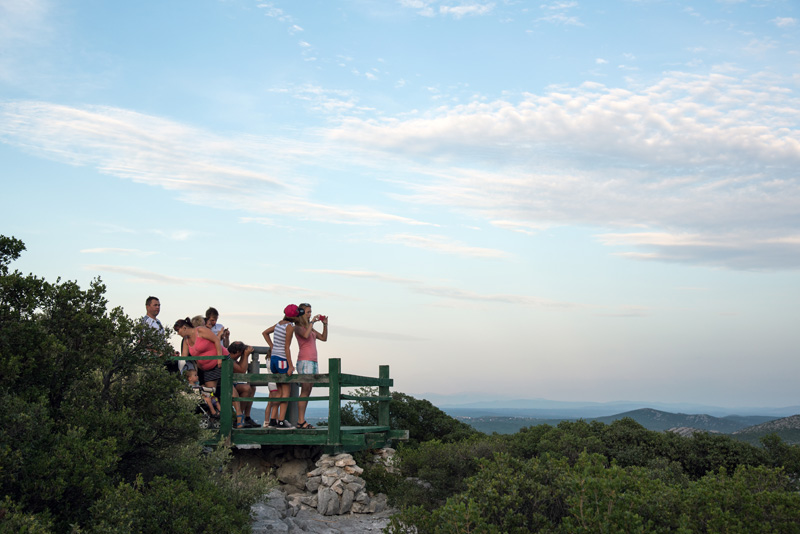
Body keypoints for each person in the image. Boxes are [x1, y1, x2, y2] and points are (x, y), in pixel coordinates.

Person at [174, 317, 246, 428]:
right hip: (206, 368)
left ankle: (239, 415)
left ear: (184, 328)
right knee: (210, 392)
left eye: (178, 331)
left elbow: (216, 340)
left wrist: (218, 358)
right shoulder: (186, 341)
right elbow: (183, 357)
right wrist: (180, 368)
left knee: (228, 387)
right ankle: (217, 418)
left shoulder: (200, 331)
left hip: (220, 362)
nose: (178, 334)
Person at [261, 304, 298, 429]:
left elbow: (265, 333)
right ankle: (281, 421)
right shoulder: (289, 327)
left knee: (279, 391)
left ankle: (273, 420)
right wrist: (291, 366)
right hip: (282, 359)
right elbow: (287, 347)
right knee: (286, 391)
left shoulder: (278, 324)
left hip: (274, 359)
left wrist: (272, 346)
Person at [293, 302, 328, 429]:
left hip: (313, 361)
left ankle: (301, 420)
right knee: (305, 390)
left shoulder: (310, 327)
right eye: (308, 312)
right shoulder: (297, 327)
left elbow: (323, 338)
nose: (310, 314)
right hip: (304, 361)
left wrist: (325, 325)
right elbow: (306, 335)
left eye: (310, 312)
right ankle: (300, 420)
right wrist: (312, 322)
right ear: (302, 313)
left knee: (308, 391)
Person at [141, 296, 179, 373]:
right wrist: (157, 352)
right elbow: (143, 342)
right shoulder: (145, 322)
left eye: (159, 305)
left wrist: (170, 352)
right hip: (152, 359)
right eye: (155, 305)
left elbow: (162, 341)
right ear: (147, 307)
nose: (158, 307)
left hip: (162, 357)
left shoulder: (158, 322)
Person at [227, 341, 260, 428]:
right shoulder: (228, 358)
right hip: (224, 385)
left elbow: (241, 367)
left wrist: (244, 355)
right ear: (238, 352)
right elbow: (242, 370)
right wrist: (245, 356)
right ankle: (239, 418)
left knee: (249, 388)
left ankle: (242, 417)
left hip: (232, 384)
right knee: (247, 388)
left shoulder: (233, 358)